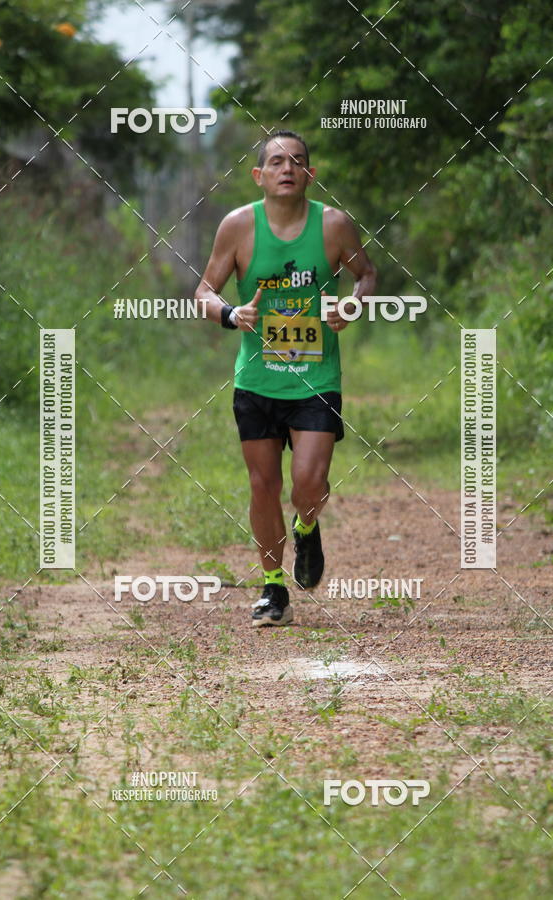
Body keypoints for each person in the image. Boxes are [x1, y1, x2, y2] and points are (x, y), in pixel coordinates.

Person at [194, 130, 376, 626]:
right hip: (257, 380)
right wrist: (231, 315)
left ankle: (308, 523)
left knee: (309, 481)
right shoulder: (238, 226)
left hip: (316, 376)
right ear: (260, 175)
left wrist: (352, 304)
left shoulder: (334, 225)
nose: (287, 168)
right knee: (263, 485)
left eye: (297, 161)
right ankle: (273, 589)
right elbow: (204, 292)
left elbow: (365, 274)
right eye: (276, 161)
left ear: (310, 175)